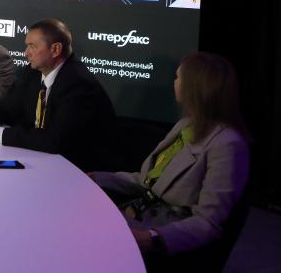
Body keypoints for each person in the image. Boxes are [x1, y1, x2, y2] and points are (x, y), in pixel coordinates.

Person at [90, 52, 249, 261]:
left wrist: (153, 238)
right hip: (141, 213)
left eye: (178, 77)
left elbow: (207, 223)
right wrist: (97, 178)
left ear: (194, 87)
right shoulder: (185, 125)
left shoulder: (227, 144)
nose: (174, 82)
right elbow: (147, 180)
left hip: (163, 233)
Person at [0, 18, 116, 171]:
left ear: (55, 49)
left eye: (33, 46)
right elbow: (9, 105)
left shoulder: (78, 84)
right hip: (41, 159)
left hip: (79, 169)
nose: (26, 53)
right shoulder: (33, 72)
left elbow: (54, 140)